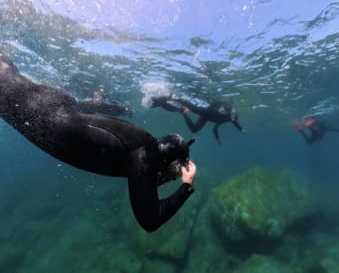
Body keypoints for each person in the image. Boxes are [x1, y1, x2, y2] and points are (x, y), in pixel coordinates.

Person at [0, 52, 196, 232]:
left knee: (10, 78)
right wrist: (186, 187)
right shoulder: (143, 155)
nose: (172, 176)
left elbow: (149, 182)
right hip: (46, 117)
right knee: (7, 87)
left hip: (58, 107)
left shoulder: (142, 148)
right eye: (176, 171)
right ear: (171, 161)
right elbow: (150, 221)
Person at [151, 95, 245, 144]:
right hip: (207, 112)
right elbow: (218, 104)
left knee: (194, 130)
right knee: (191, 106)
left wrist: (218, 139)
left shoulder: (227, 120)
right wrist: (212, 102)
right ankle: (169, 97)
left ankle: (183, 112)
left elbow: (215, 129)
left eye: (232, 119)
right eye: (232, 116)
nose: (231, 118)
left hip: (206, 117)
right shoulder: (227, 112)